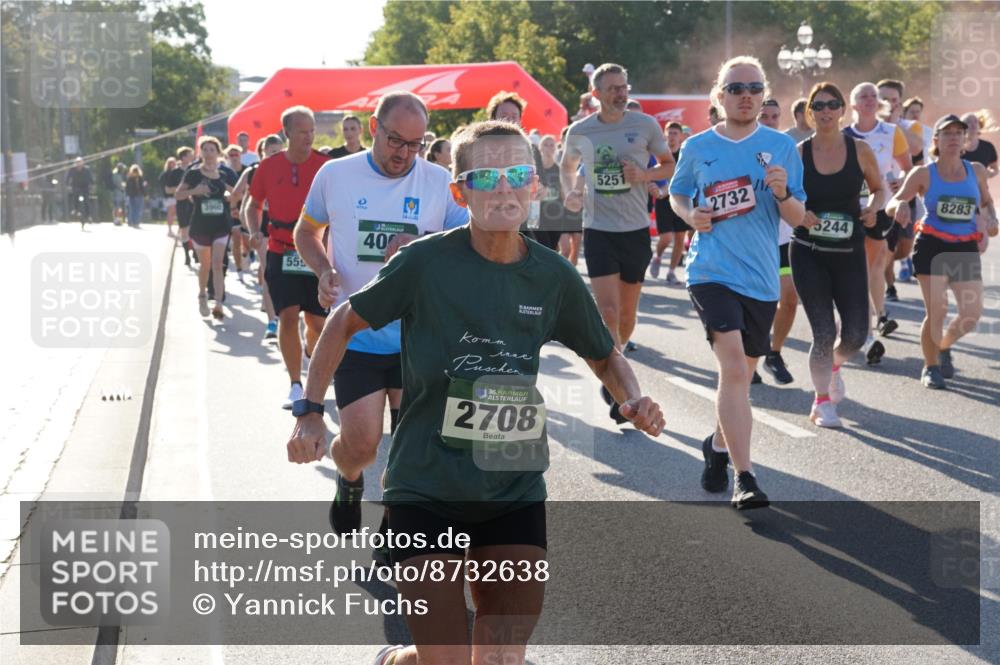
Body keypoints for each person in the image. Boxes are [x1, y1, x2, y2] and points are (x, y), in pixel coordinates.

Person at [286, 120, 664, 665]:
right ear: (460, 192)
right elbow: (343, 320)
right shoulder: (425, 262)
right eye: (487, 176)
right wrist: (310, 412)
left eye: (518, 175)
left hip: (512, 487)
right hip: (425, 487)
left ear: (535, 187)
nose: (504, 188)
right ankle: (398, 660)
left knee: (500, 659)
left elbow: (604, 353)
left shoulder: (553, 276)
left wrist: (631, 397)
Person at [293, 90, 469, 537]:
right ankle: (349, 479)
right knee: (362, 445)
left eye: (416, 144)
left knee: (413, 451)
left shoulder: (436, 180)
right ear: (374, 128)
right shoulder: (335, 174)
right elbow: (306, 230)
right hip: (357, 335)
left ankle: (394, 529)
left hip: (417, 337)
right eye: (396, 141)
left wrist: (423, 246)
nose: (405, 154)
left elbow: (470, 240)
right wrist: (324, 268)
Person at [669, 56, 807, 509]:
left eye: (754, 88)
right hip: (711, 271)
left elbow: (798, 216)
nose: (745, 95)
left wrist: (784, 192)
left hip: (762, 278)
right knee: (732, 369)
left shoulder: (782, 147)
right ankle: (745, 477)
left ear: (763, 95)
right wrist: (692, 216)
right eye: (735, 88)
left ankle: (717, 445)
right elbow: (678, 193)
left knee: (741, 378)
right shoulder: (697, 146)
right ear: (719, 96)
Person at [560, 63, 675, 423]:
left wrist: (645, 174)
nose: (620, 93)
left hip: (636, 230)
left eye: (623, 86)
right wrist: (571, 196)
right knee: (607, 313)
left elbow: (669, 165)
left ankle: (617, 356)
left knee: (626, 315)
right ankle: (617, 388)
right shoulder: (581, 131)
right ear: (596, 94)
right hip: (599, 229)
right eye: (612, 88)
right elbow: (566, 167)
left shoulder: (644, 126)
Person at [792, 82, 885, 427]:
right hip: (808, 251)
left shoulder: (859, 150)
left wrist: (874, 208)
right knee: (823, 332)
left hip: (847, 252)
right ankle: (822, 402)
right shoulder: (799, 152)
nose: (826, 111)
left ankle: (832, 366)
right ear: (810, 112)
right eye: (819, 106)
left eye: (833, 105)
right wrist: (800, 212)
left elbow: (880, 189)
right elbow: (784, 196)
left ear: (842, 110)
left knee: (857, 334)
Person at [887, 114, 998, 389]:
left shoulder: (976, 170)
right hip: (932, 246)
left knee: (971, 313)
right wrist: (898, 208)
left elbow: (986, 201)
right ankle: (931, 366)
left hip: (964, 247)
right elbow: (895, 200)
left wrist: (992, 218)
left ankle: (944, 345)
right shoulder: (924, 172)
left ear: (964, 140)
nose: (953, 138)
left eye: (958, 133)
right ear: (935, 140)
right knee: (937, 309)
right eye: (946, 134)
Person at [246, 105, 331, 409]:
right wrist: (255, 230)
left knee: (317, 323)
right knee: (288, 315)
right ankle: (296, 383)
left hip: (316, 253)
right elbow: (252, 206)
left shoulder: (326, 166)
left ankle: (312, 357)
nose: (309, 137)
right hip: (280, 250)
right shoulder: (267, 168)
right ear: (287, 134)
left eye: (312, 131)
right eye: (302, 132)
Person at [843, 82, 913, 364]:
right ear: (854, 104)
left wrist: (900, 182)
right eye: (864, 96)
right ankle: (864, 328)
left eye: (874, 95)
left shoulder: (891, 132)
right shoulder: (843, 135)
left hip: (880, 206)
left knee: (874, 263)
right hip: (849, 209)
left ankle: (875, 319)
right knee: (854, 267)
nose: (870, 100)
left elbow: (908, 167)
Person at [755, 98, 799, 385]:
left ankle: (774, 352)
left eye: (774, 116)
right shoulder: (740, 148)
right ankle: (748, 355)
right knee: (757, 302)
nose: (770, 121)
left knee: (790, 298)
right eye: (765, 116)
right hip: (752, 240)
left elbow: (801, 189)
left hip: (783, 239)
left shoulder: (786, 148)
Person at [174, 136, 238, 320]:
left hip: (221, 224)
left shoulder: (225, 174)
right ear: (200, 153)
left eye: (212, 150)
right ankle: (202, 294)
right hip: (201, 224)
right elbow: (178, 194)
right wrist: (195, 191)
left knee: (218, 263)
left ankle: (218, 303)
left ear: (218, 153)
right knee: (205, 265)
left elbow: (237, 194)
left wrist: (230, 197)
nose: (209, 153)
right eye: (206, 150)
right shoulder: (193, 173)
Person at [236, 134, 285, 340]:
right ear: (262, 153)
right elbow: (247, 203)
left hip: (287, 229)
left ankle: (284, 313)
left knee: (285, 274)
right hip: (264, 228)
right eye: (271, 152)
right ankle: (273, 322)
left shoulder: (291, 170)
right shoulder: (255, 172)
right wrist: (250, 231)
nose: (276, 156)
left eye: (279, 151)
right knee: (269, 271)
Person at [877, 79, 922, 303]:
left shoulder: (908, 126)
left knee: (903, 249)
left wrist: (894, 123)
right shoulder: (867, 124)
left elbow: (916, 148)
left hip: (904, 194)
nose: (889, 103)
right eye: (884, 98)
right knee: (884, 249)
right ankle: (888, 286)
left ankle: (888, 272)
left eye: (893, 100)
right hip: (876, 199)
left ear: (899, 103)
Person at [649, 122, 690, 285]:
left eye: (675, 133)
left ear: (680, 136)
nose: (672, 136)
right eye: (669, 133)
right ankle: (657, 256)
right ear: (664, 135)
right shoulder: (659, 155)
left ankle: (672, 271)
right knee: (665, 238)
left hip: (681, 200)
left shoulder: (685, 155)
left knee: (680, 238)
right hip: (663, 200)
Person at [531, 134, 565, 251]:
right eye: (545, 144)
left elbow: (563, 195)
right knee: (543, 246)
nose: (548, 147)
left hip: (555, 214)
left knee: (553, 247)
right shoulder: (534, 170)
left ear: (555, 148)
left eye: (552, 145)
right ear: (540, 148)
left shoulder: (560, 170)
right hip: (537, 214)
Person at [224, 144, 250, 282]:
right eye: (231, 155)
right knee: (235, 238)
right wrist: (231, 200)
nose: (234, 157)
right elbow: (224, 191)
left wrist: (238, 195)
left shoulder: (247, 171)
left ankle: (246, 254)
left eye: (236, 154)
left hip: (245, 208)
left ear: (240, 155)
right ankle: (239, 269)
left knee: (246, 241)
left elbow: (249, 191)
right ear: (227, 157)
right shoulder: (226, 172)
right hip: (231, 210)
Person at [166, 147, 197, 266]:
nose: (192, 156)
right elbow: (167, 189)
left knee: (194, 228)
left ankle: (194, 250)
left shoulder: (195, 170)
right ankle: (186, 255)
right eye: (190, 155)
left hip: (194, 203)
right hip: (182, 204)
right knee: (184, 229)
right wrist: (181, 189)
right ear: (183, 157)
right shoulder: (175, 172)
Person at [961, 111, 999, 178]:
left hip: (980, 187)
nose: (973, 124)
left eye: (975, 121)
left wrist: (989, 173)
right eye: (968, 122)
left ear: (980, 126)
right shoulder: (955, 147)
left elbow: (995, 168)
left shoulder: (988, 147)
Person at [67, 157, 93, 228]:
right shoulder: (72, 169)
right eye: (77, 162)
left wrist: (92, 185)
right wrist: (67, 185)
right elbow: (68, 177)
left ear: (83, 163)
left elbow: (91, 179)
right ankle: (75, 209)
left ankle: (88, 216)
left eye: (80, 162)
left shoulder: (87, 169)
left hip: (85, 187)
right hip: (76, 187)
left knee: (87, 201)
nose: (78, 164)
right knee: (75, 197)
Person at [158, 157, 177, 236]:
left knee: (173, 213)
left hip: (175, 196)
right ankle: (169, 230)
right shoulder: (165, 174)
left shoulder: (176, 172)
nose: (173, 164)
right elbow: (162, 184)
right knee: (170, 212)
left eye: (174, 163)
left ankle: (171, 229)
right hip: (169, 196)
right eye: (171, 163)